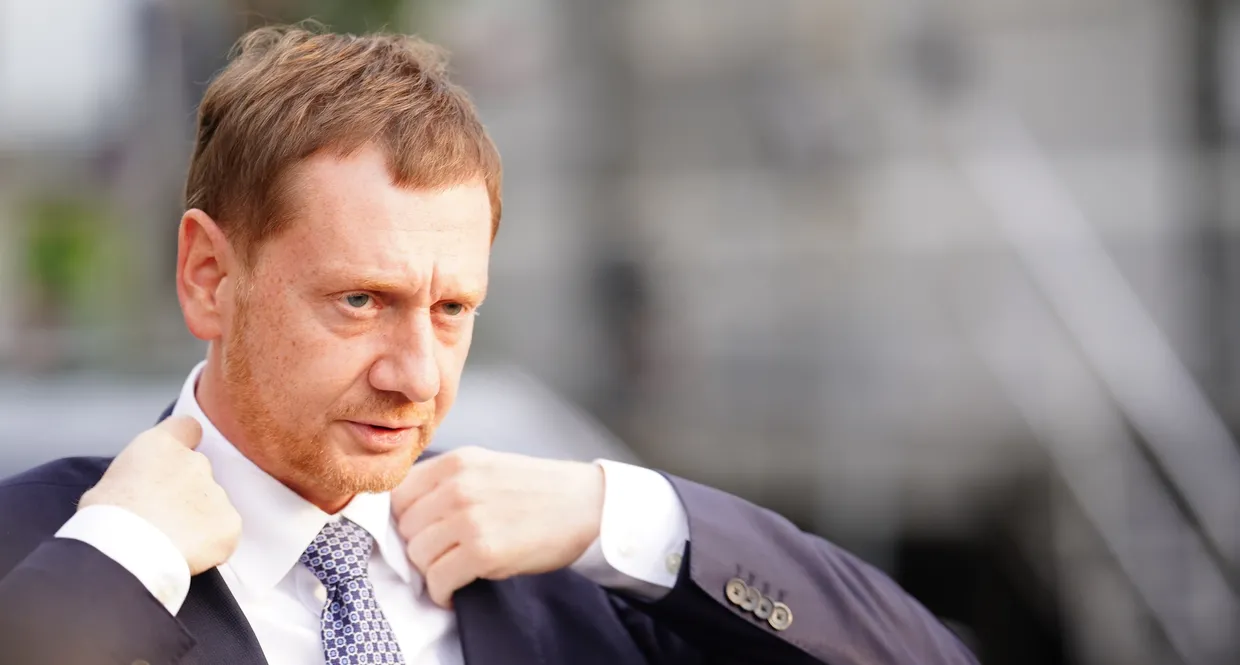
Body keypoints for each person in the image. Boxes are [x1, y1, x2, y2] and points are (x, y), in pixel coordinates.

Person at [0, 26, 976, 665]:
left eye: (452, 308)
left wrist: (621, 512)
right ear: (210, 275)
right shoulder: (46, 553)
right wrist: (117, 563)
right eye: (360, 300)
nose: (416, 375)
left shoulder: (572, 590)